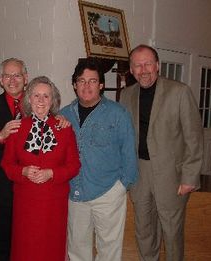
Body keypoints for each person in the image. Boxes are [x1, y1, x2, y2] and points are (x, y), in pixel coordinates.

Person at [0, 57, 70, 261]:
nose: (12, 80)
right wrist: (0, 136)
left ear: (25, 78)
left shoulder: (42, 108)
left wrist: (59, 119)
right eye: (7, 75)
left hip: (39, 193)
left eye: (17, 75)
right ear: (0, 80)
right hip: (3, 186)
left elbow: (51, 126)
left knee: (36, 242)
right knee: (4, 242)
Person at [120, 44, 203, 261]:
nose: (143, 69)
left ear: (157, 65)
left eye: (148, 63)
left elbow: (194, 138)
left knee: (172, 233)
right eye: (137, 65)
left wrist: (189, 178)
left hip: (171, 176)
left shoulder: (179, 91)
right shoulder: (126, 95)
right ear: (131, 70)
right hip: (140, 174)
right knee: (144, 231)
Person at [61, 57, 138, 261]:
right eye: (81, 80)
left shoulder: (118, 114)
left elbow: (129, 153)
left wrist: (121, 187)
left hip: (108, 193)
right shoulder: (63, 115)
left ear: (101, 85)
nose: (86, 86)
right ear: (74, 84)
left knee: (109, 251)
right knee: (77, 250)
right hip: (75, 194)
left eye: (92, 81)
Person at [0, 76, 81, 261]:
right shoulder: (17, 128)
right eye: (36, 95)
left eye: (46, 96)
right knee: (25, 250)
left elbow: (74, 166)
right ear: (29, 99)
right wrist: (23, 172)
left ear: (53, 100)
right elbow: (7, 164)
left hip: (54, 204)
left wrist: (52, 173)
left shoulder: (64, 129)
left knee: (51, 250)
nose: (41, 100)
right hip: (25, 203)